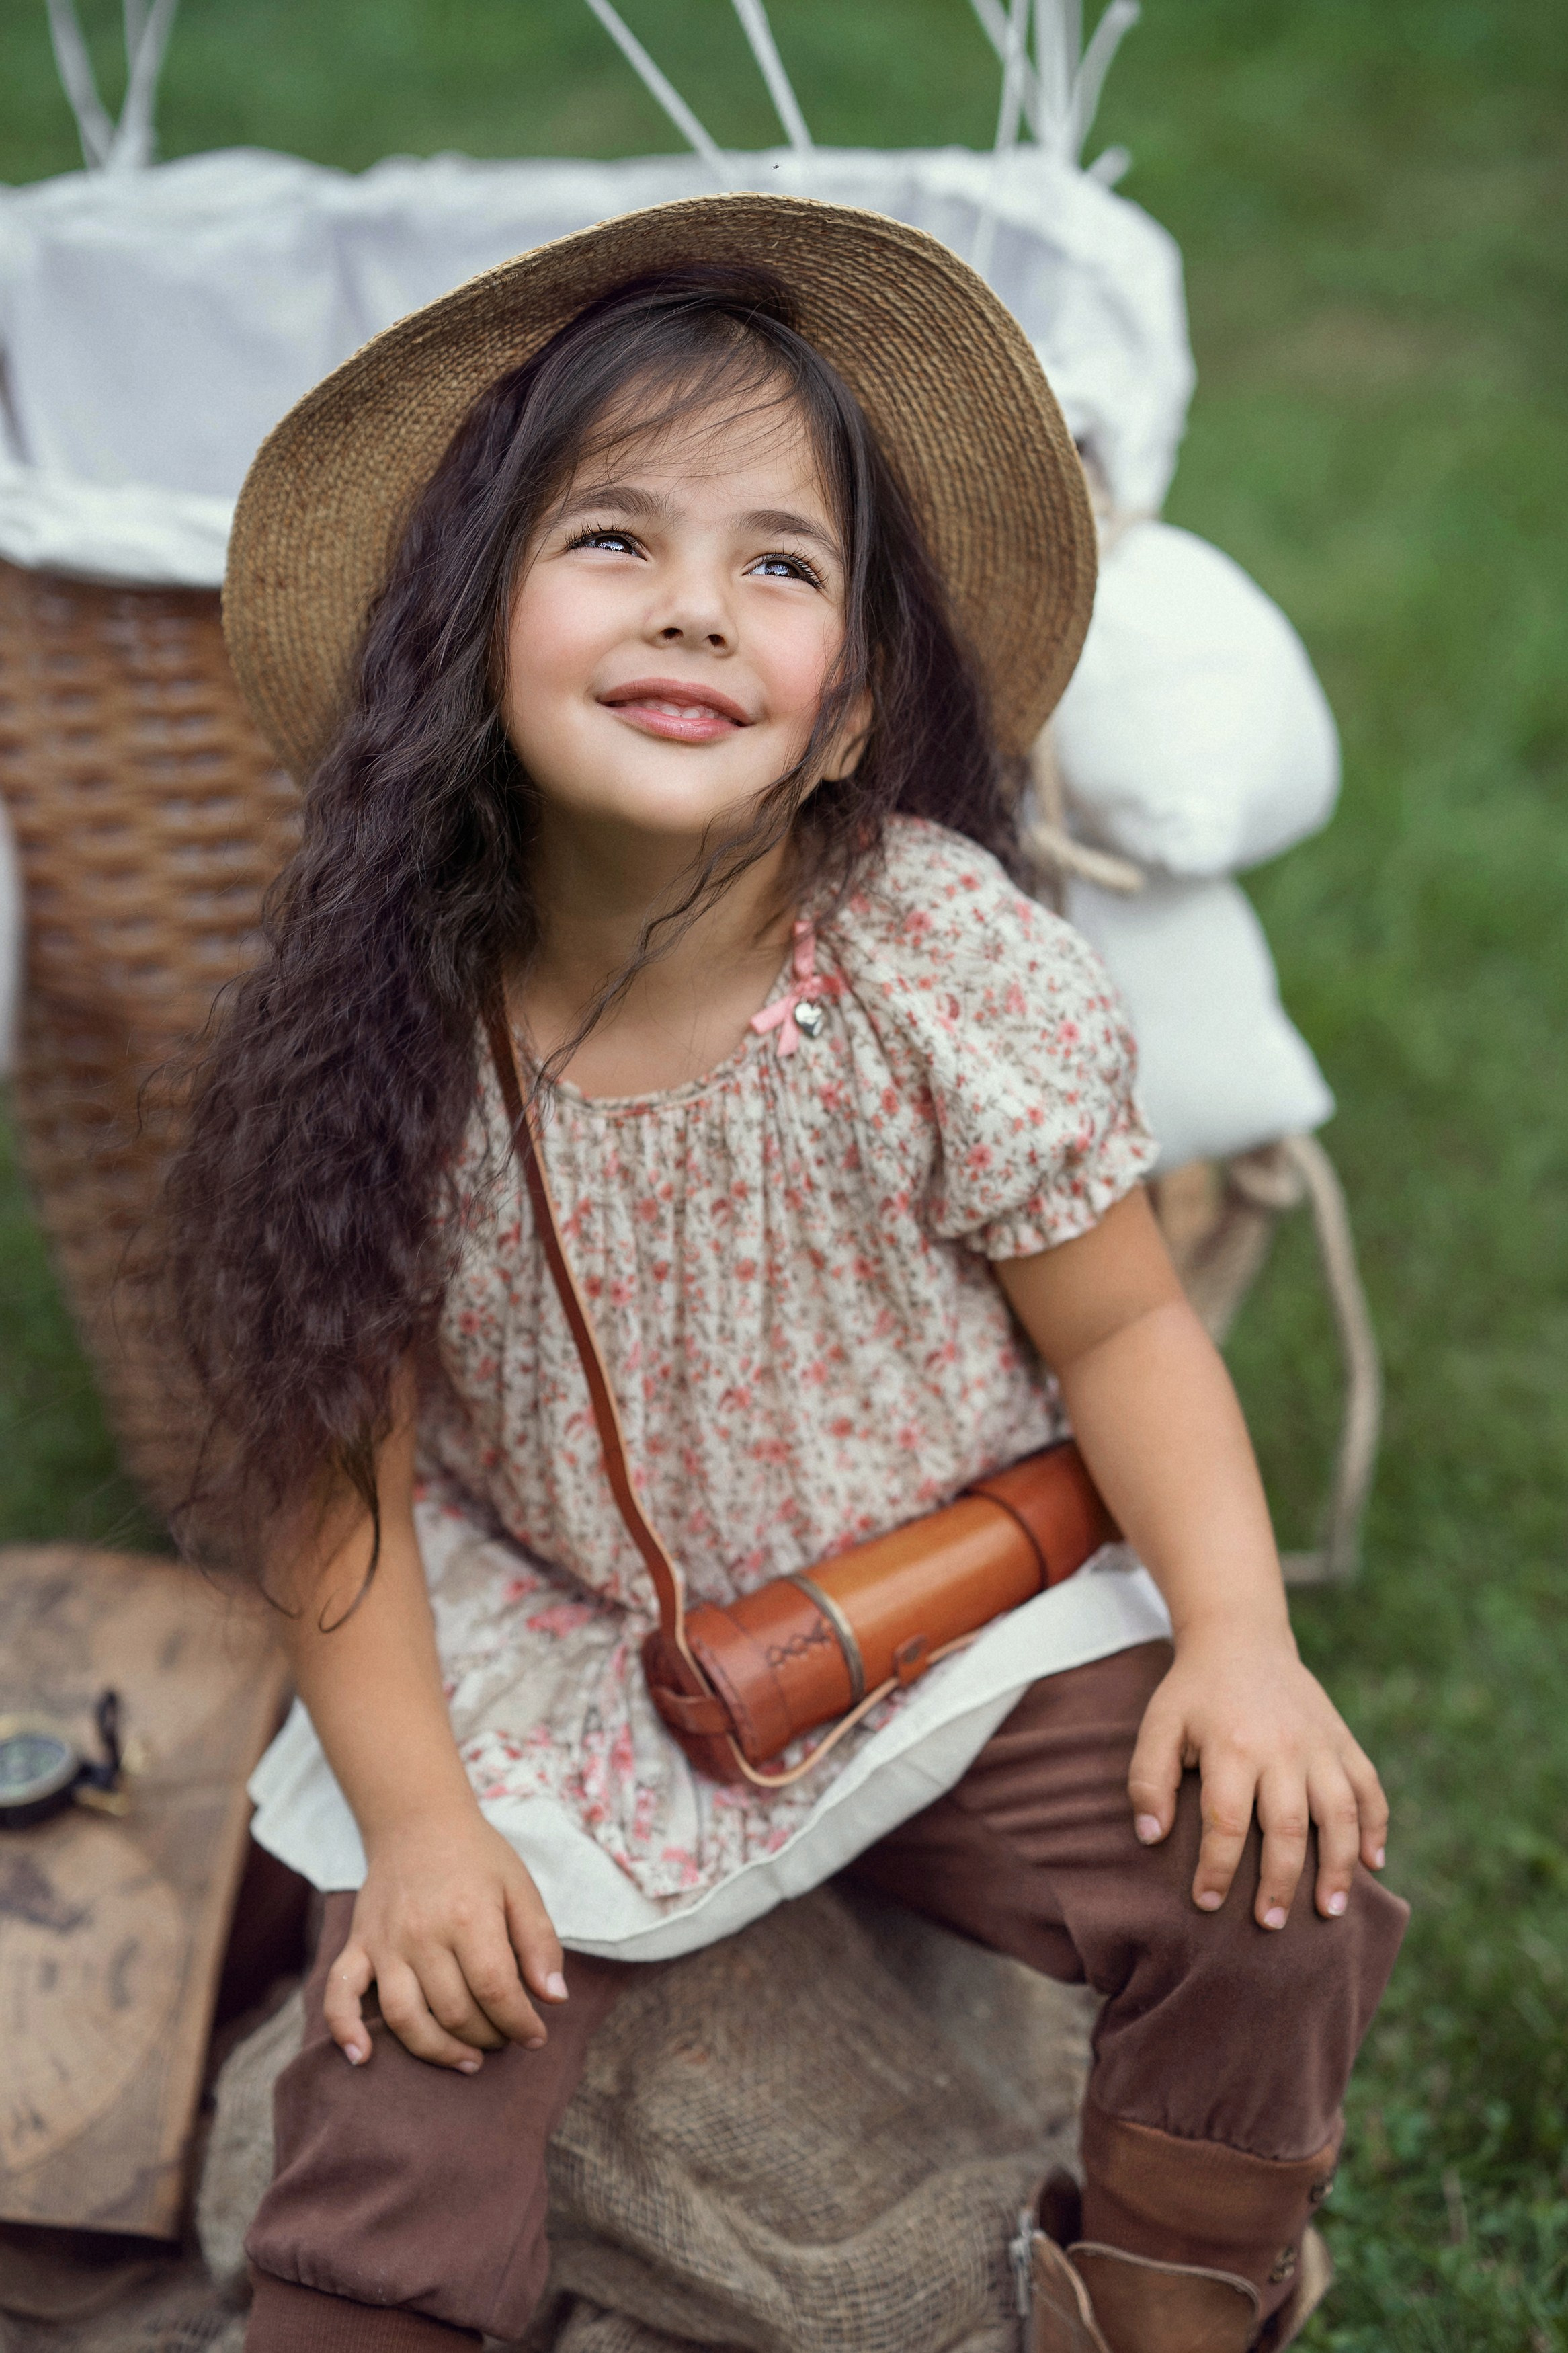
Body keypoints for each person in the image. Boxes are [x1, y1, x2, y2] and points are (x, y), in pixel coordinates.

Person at [167, 198, 1406, 2353]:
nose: (697, 610)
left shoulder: (933, 961)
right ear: (469, 631)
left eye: (781, 564)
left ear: (844, 722)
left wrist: (1238, 1637)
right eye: (614, 541)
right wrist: (426, 1824)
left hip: (943, 1605)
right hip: (549, 1646)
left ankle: (1162, 2304)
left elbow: (1120, 1324)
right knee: (409, 2053)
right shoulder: (380, 1013)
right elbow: (330, 1472)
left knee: (1279, 1875)